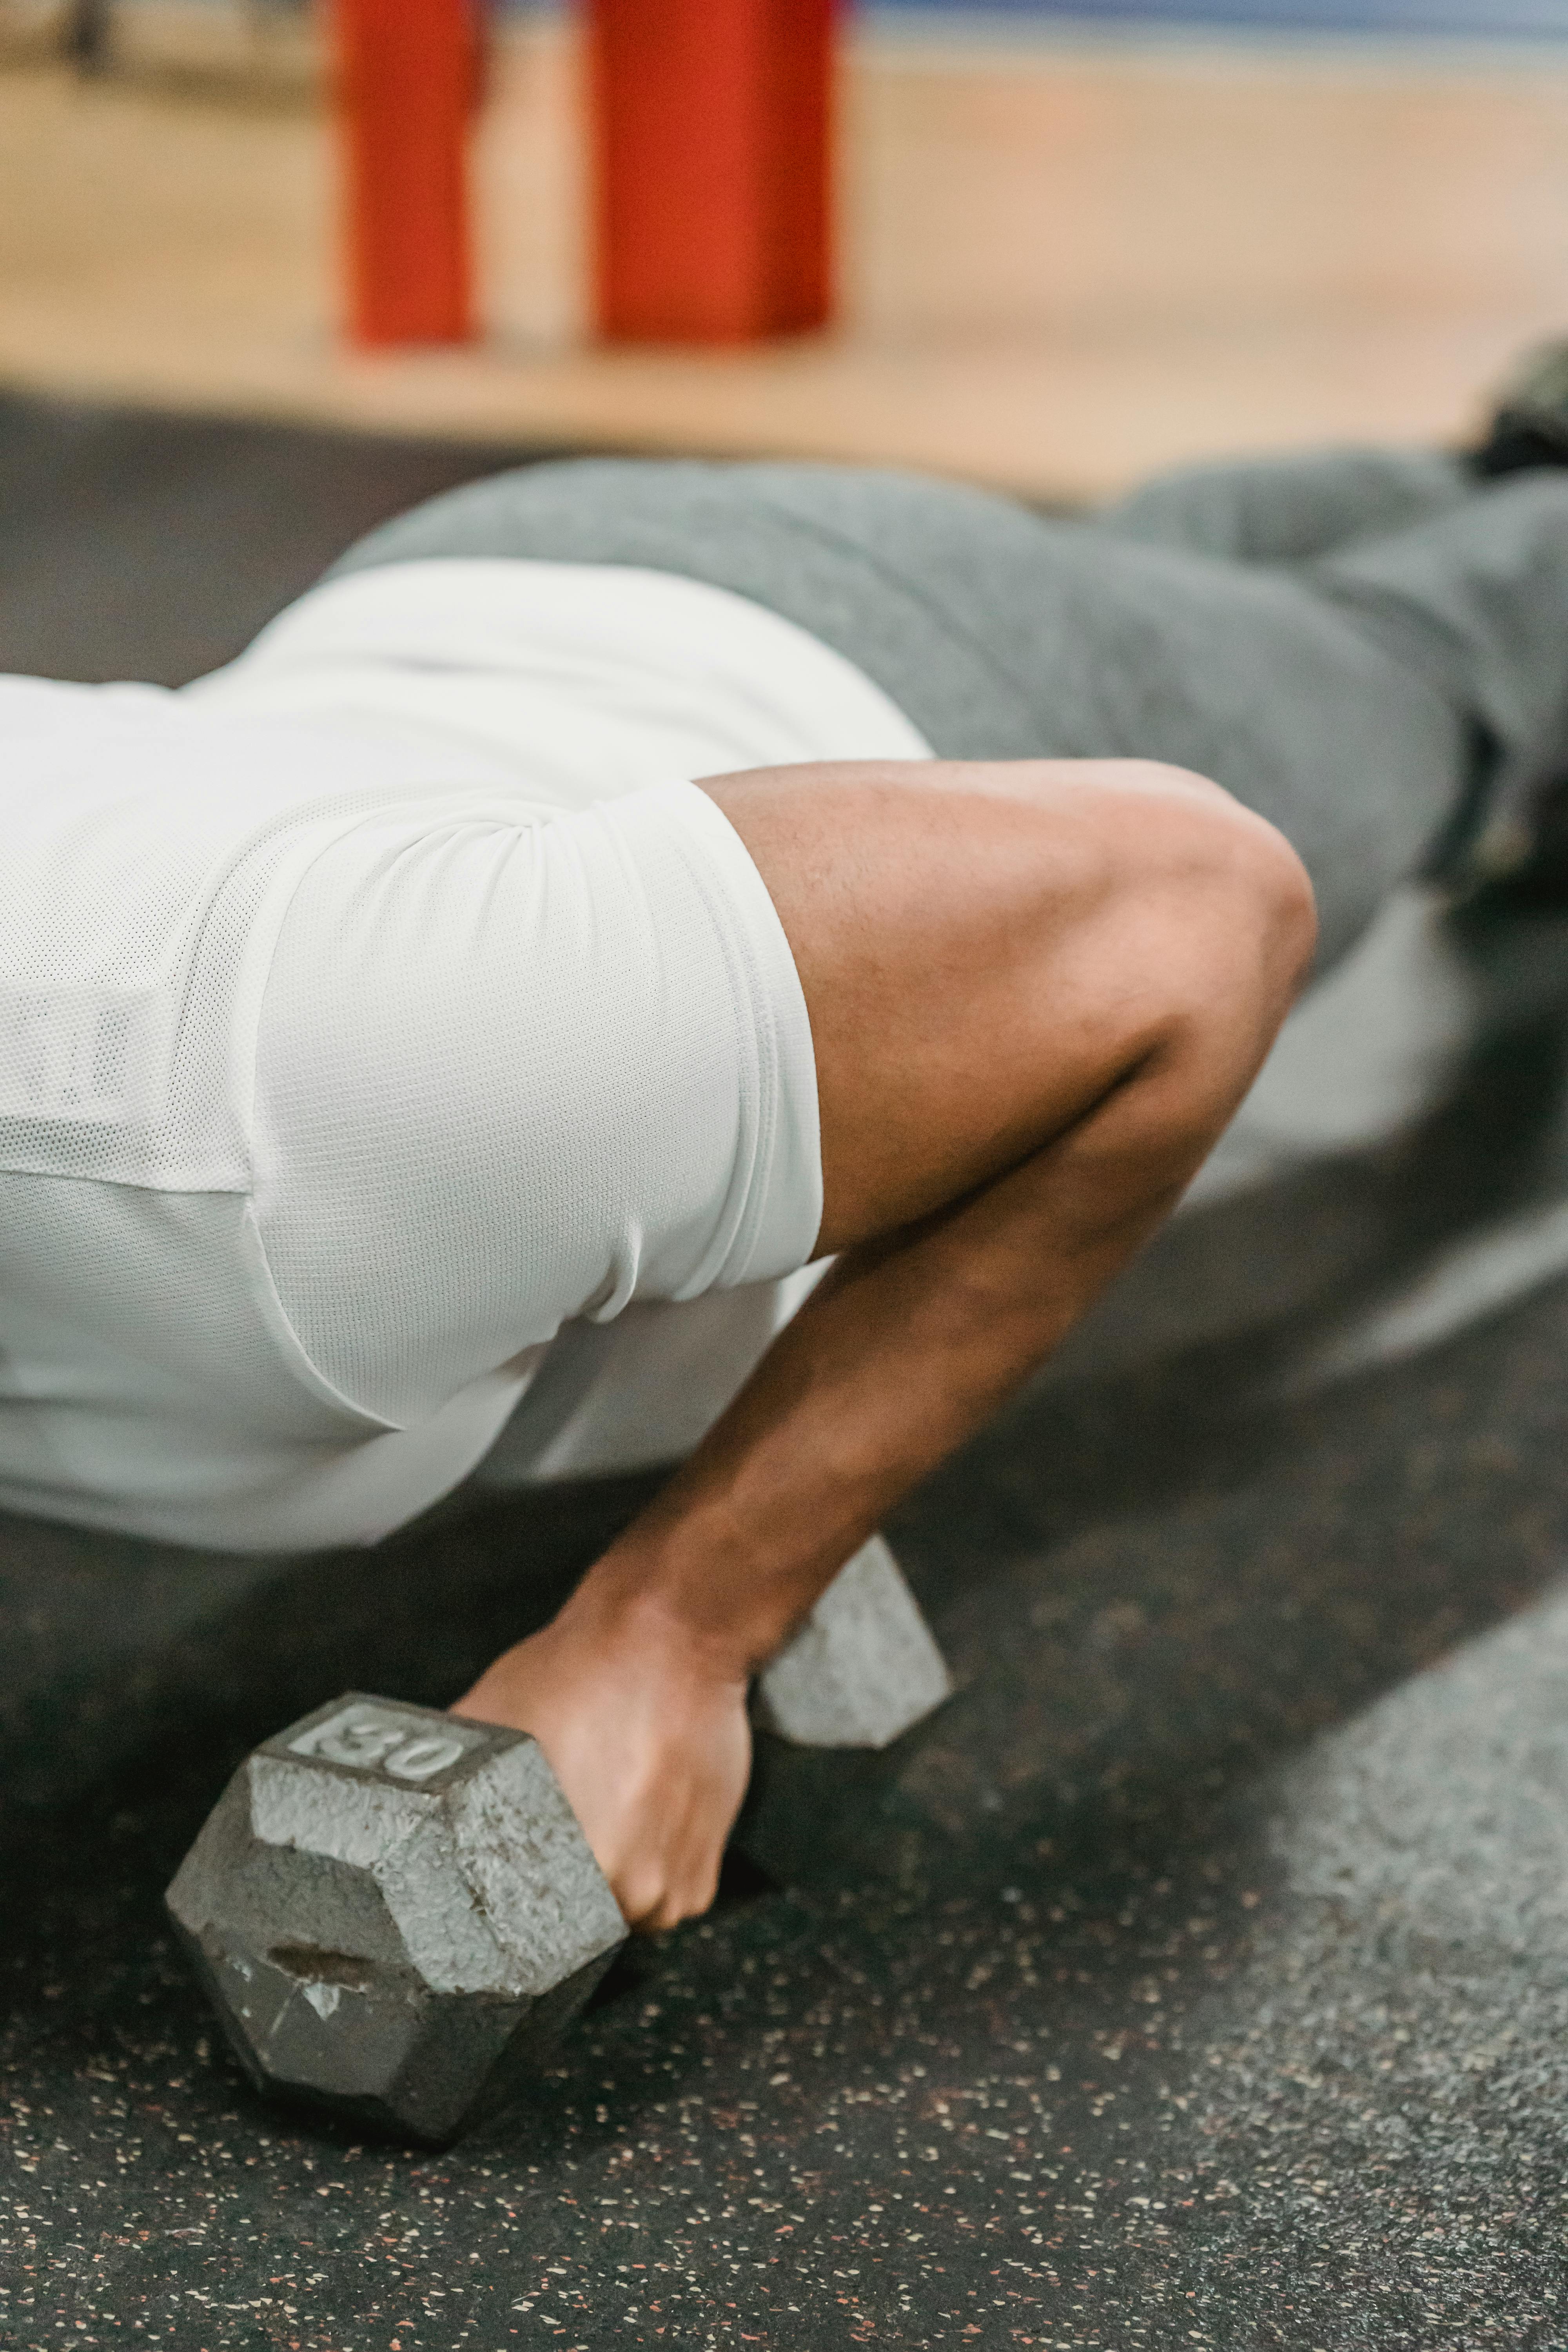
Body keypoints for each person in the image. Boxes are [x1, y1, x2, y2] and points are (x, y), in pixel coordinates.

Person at [4, 349, 1567, 1931]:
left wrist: (675, 1634)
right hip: (507, 607)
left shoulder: (328, 1106)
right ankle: (1498, 462)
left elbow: (1198, 913)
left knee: (1408, 678)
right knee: (1160, 600)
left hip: (863, 687)